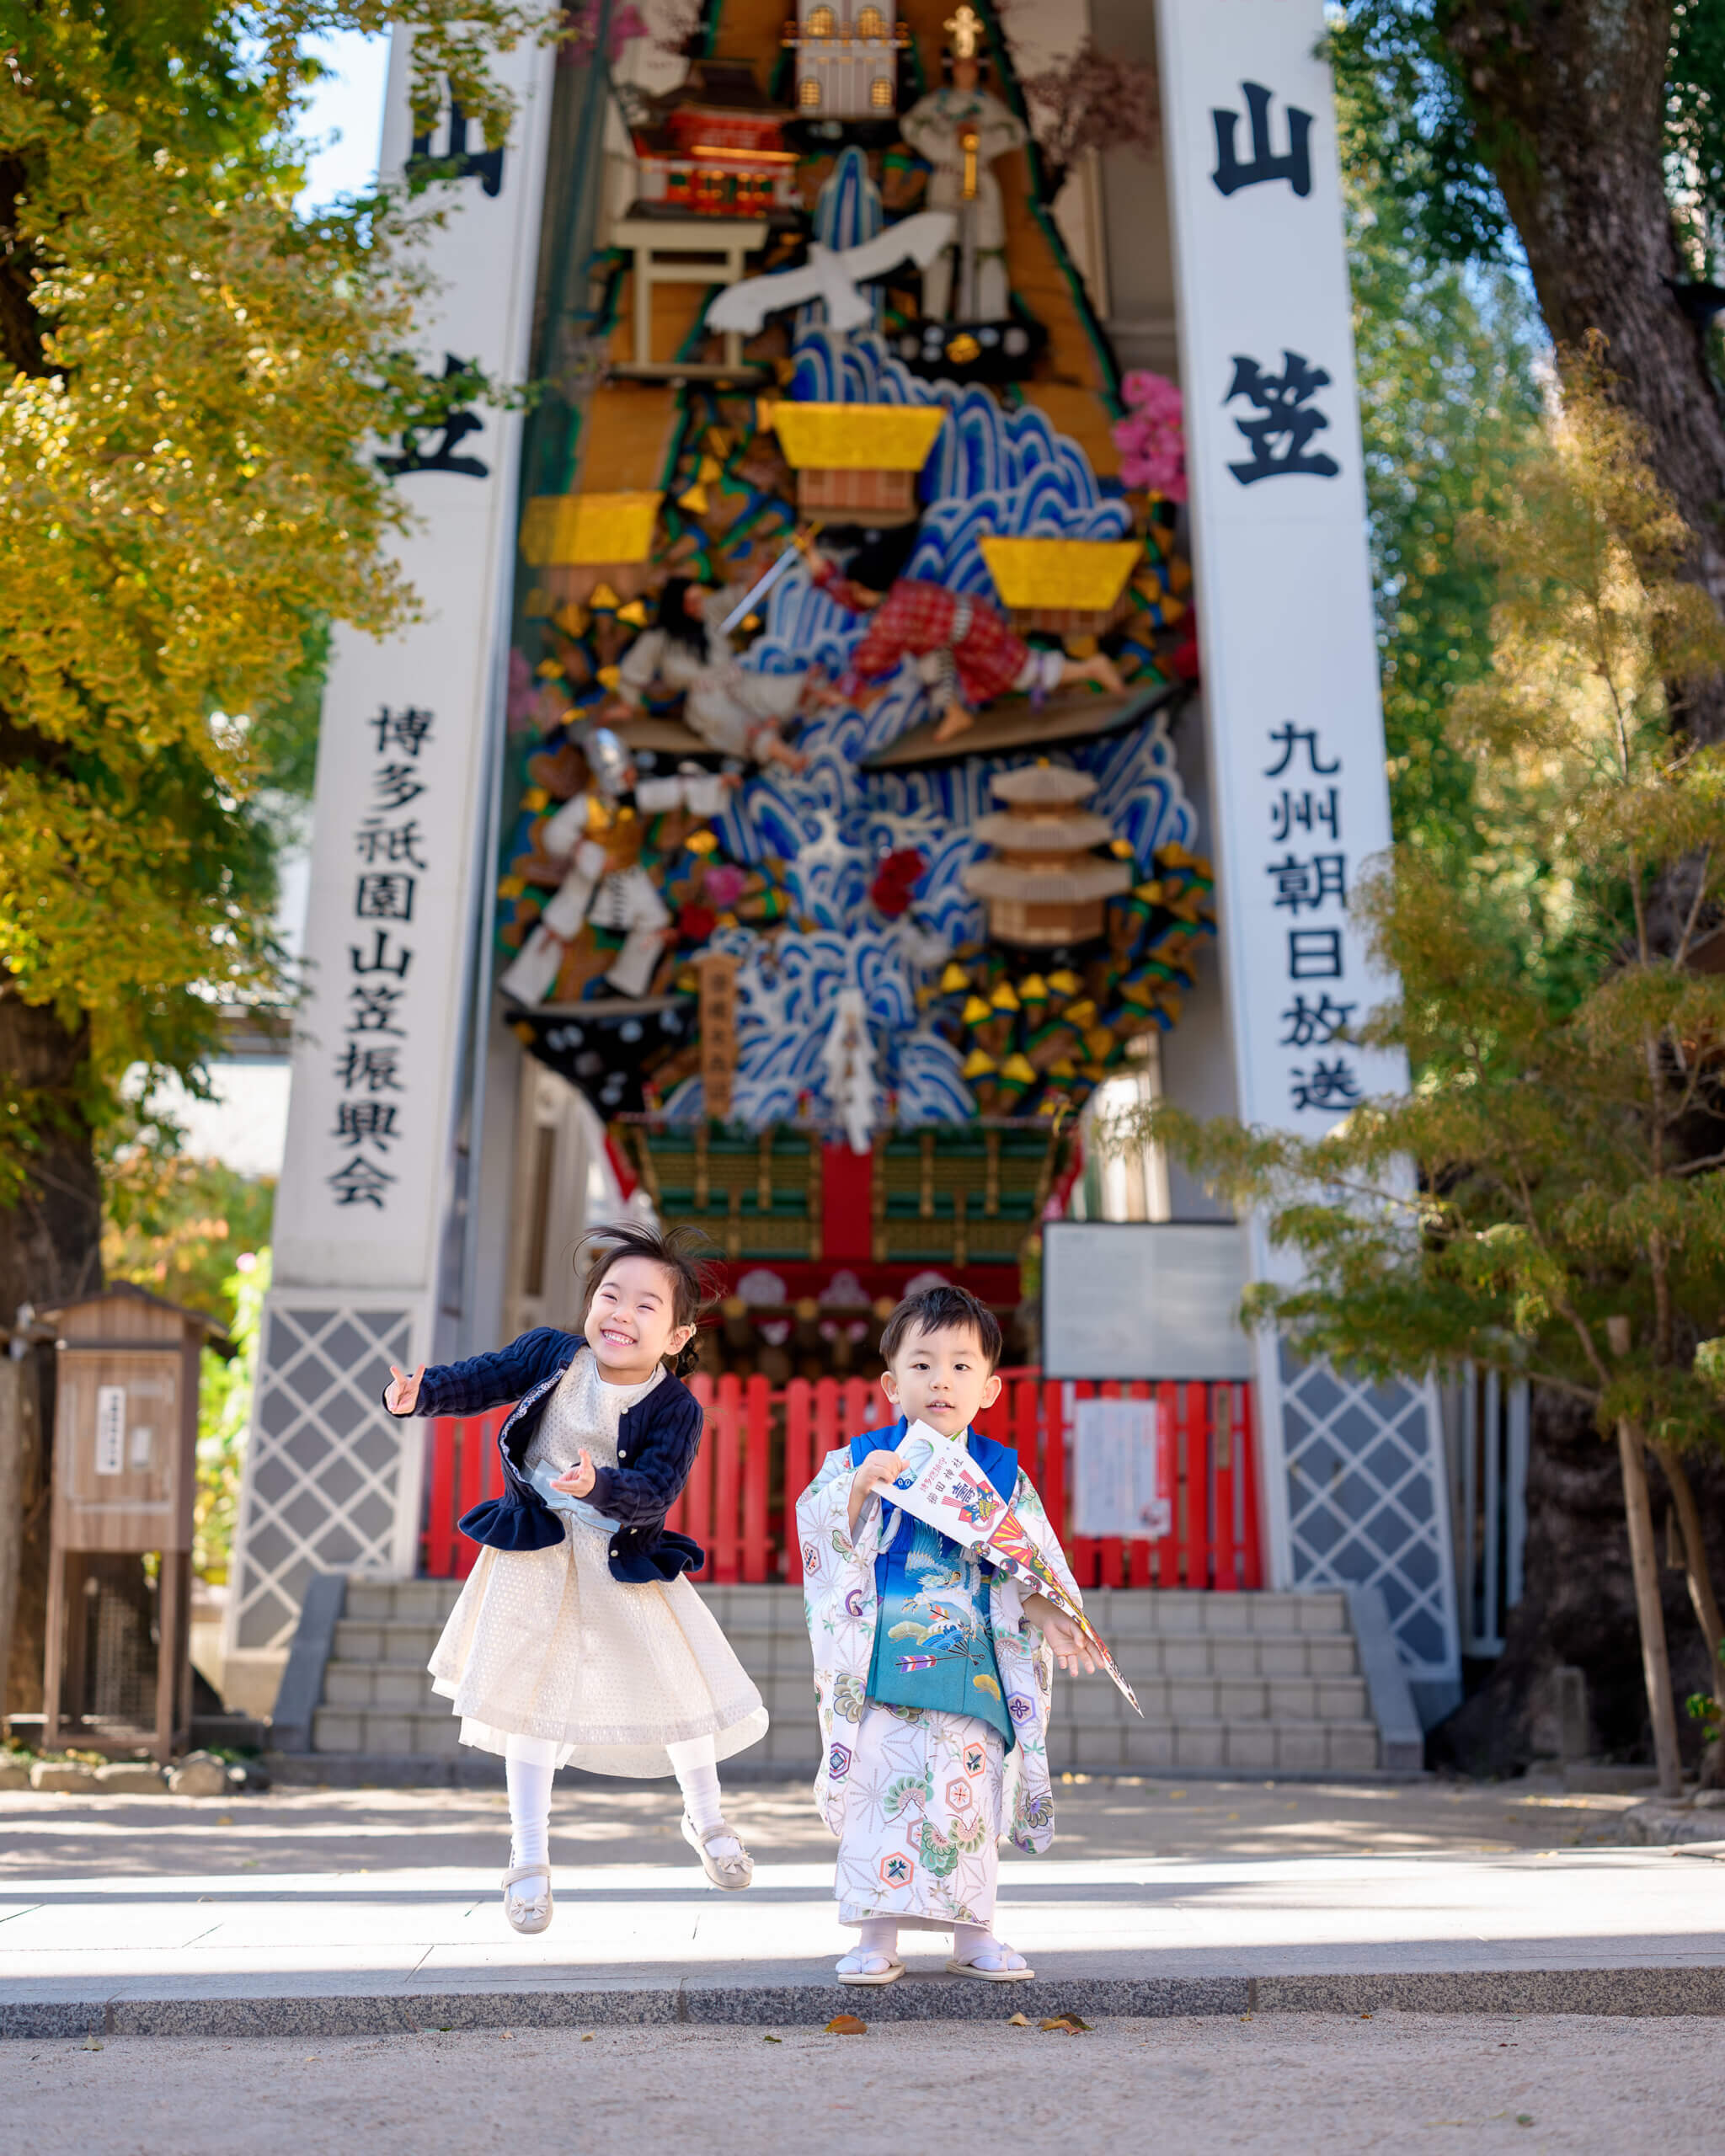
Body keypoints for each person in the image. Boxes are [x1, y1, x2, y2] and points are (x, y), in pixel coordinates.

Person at [384, 1223, 766, 1935]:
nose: (621, 1313)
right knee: (526, 1700)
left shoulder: (677, 1409)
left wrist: (599, 1487)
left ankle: (707, 1817)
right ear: (589, 1305)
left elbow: (654, 1491)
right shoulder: (550, 1355)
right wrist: (423, 1394)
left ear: (677, 1337)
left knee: (677, 1684)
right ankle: (528, 1859)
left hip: (622, 1557)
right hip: (535, 1555)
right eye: (609, 1295)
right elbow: (485, 1376)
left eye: (645, 1305)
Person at [794, 1283, 1095, 1985]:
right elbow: (821, 1531)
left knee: (969, 1794)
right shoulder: (862, 1456)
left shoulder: (1000, 1474)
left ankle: (973, 1932)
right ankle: (875, 1935)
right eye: (923, 1363)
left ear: (990, 1388)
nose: (941, 1379)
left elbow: (1032, 1560)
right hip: (885, 1657)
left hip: (972, 1659)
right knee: (881, 1783)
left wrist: (1048, 1611)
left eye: (962, 1365)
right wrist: (862, 1488)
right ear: (891, 1382)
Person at [809, 526, 1124, 744]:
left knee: (1022, 672)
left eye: (855, 587)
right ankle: (955, 713)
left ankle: (1090, 668)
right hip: (951, 637)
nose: (851, 592)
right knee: (931, 666)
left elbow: (871, 657)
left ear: (868, 588)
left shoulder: (894, 617)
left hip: (975, 635)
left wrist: (843, 688)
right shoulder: (893, 595)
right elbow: (848, 595)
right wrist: (815, 561)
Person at [608, 576, 812, 773]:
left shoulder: (709, 614)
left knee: (788, 689)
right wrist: (627, 705)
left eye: (700, 599)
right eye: (692, 601)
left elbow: (741, 595)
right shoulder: (658, 638)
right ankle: (792, 760)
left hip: (738, 682)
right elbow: (633, 673)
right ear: (678, 605)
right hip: (705, 701)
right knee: (746, 728)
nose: (699, 605)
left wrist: (761, 575)